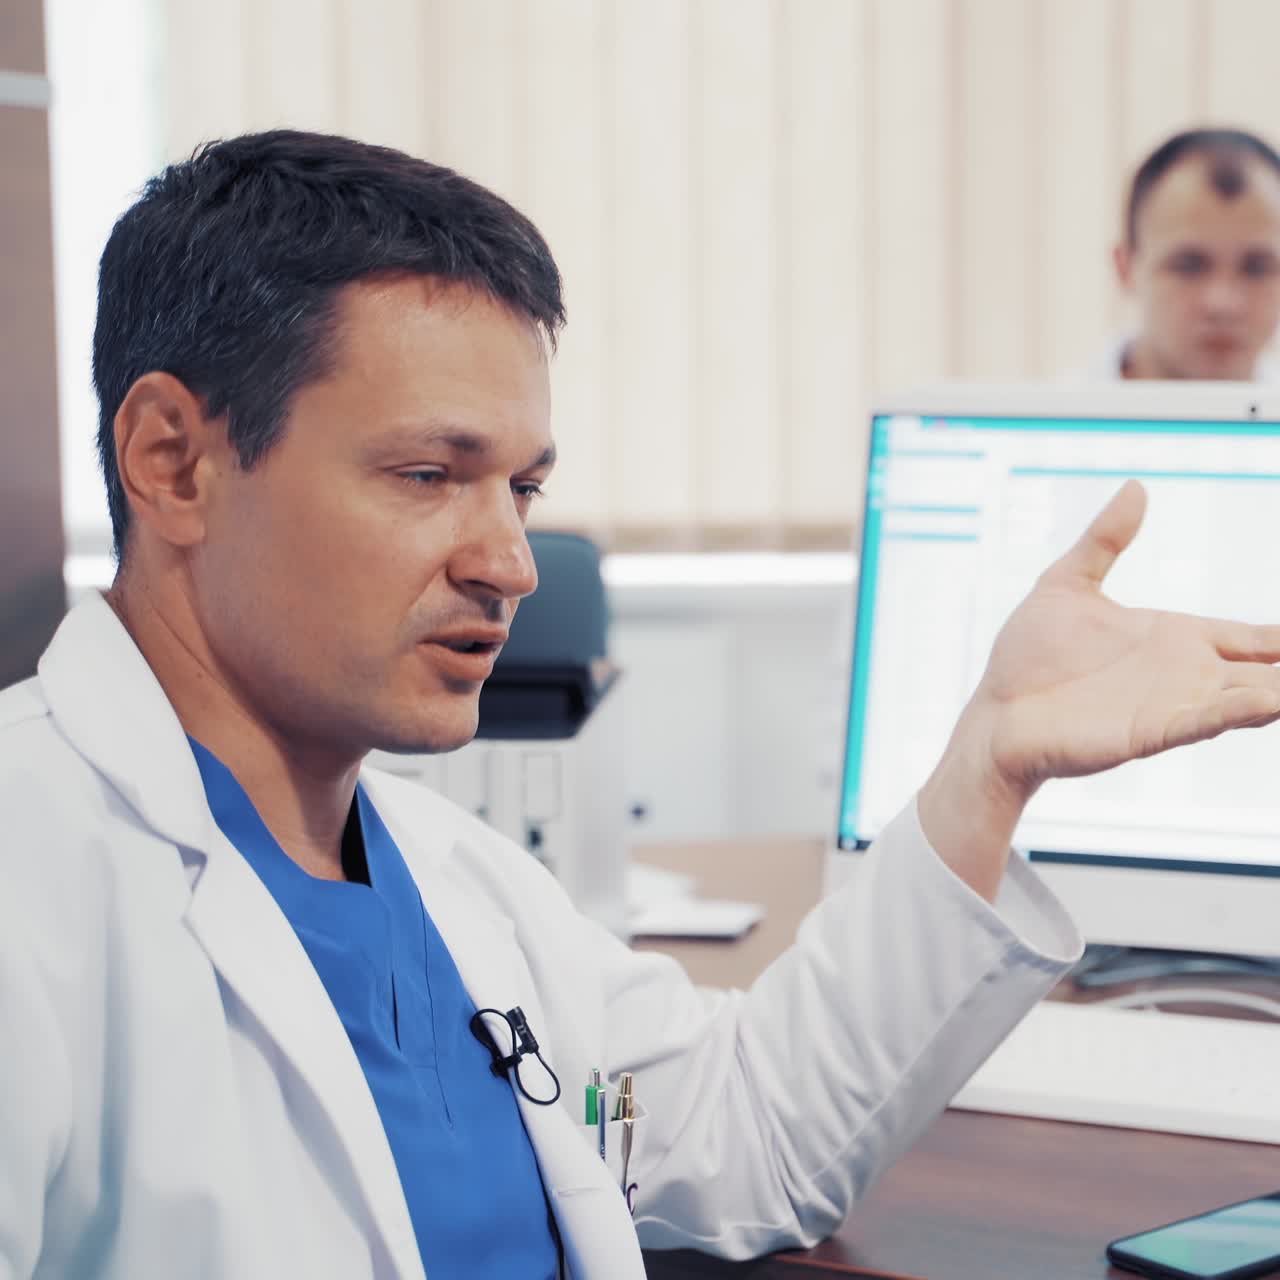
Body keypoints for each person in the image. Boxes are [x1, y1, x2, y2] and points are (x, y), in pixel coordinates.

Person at [4, 131, 1280, 1280]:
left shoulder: (448, 877)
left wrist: (986, 761)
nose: (506, 558)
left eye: (522, 488)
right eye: (427, 472)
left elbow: (753, 1139)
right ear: (172, 461)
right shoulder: (32, 880)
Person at [1089, 127, 1280, 381]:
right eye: (1189, 266)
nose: (1223, 304)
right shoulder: (1041, 419)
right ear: (1125, 268)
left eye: (1257, 268)